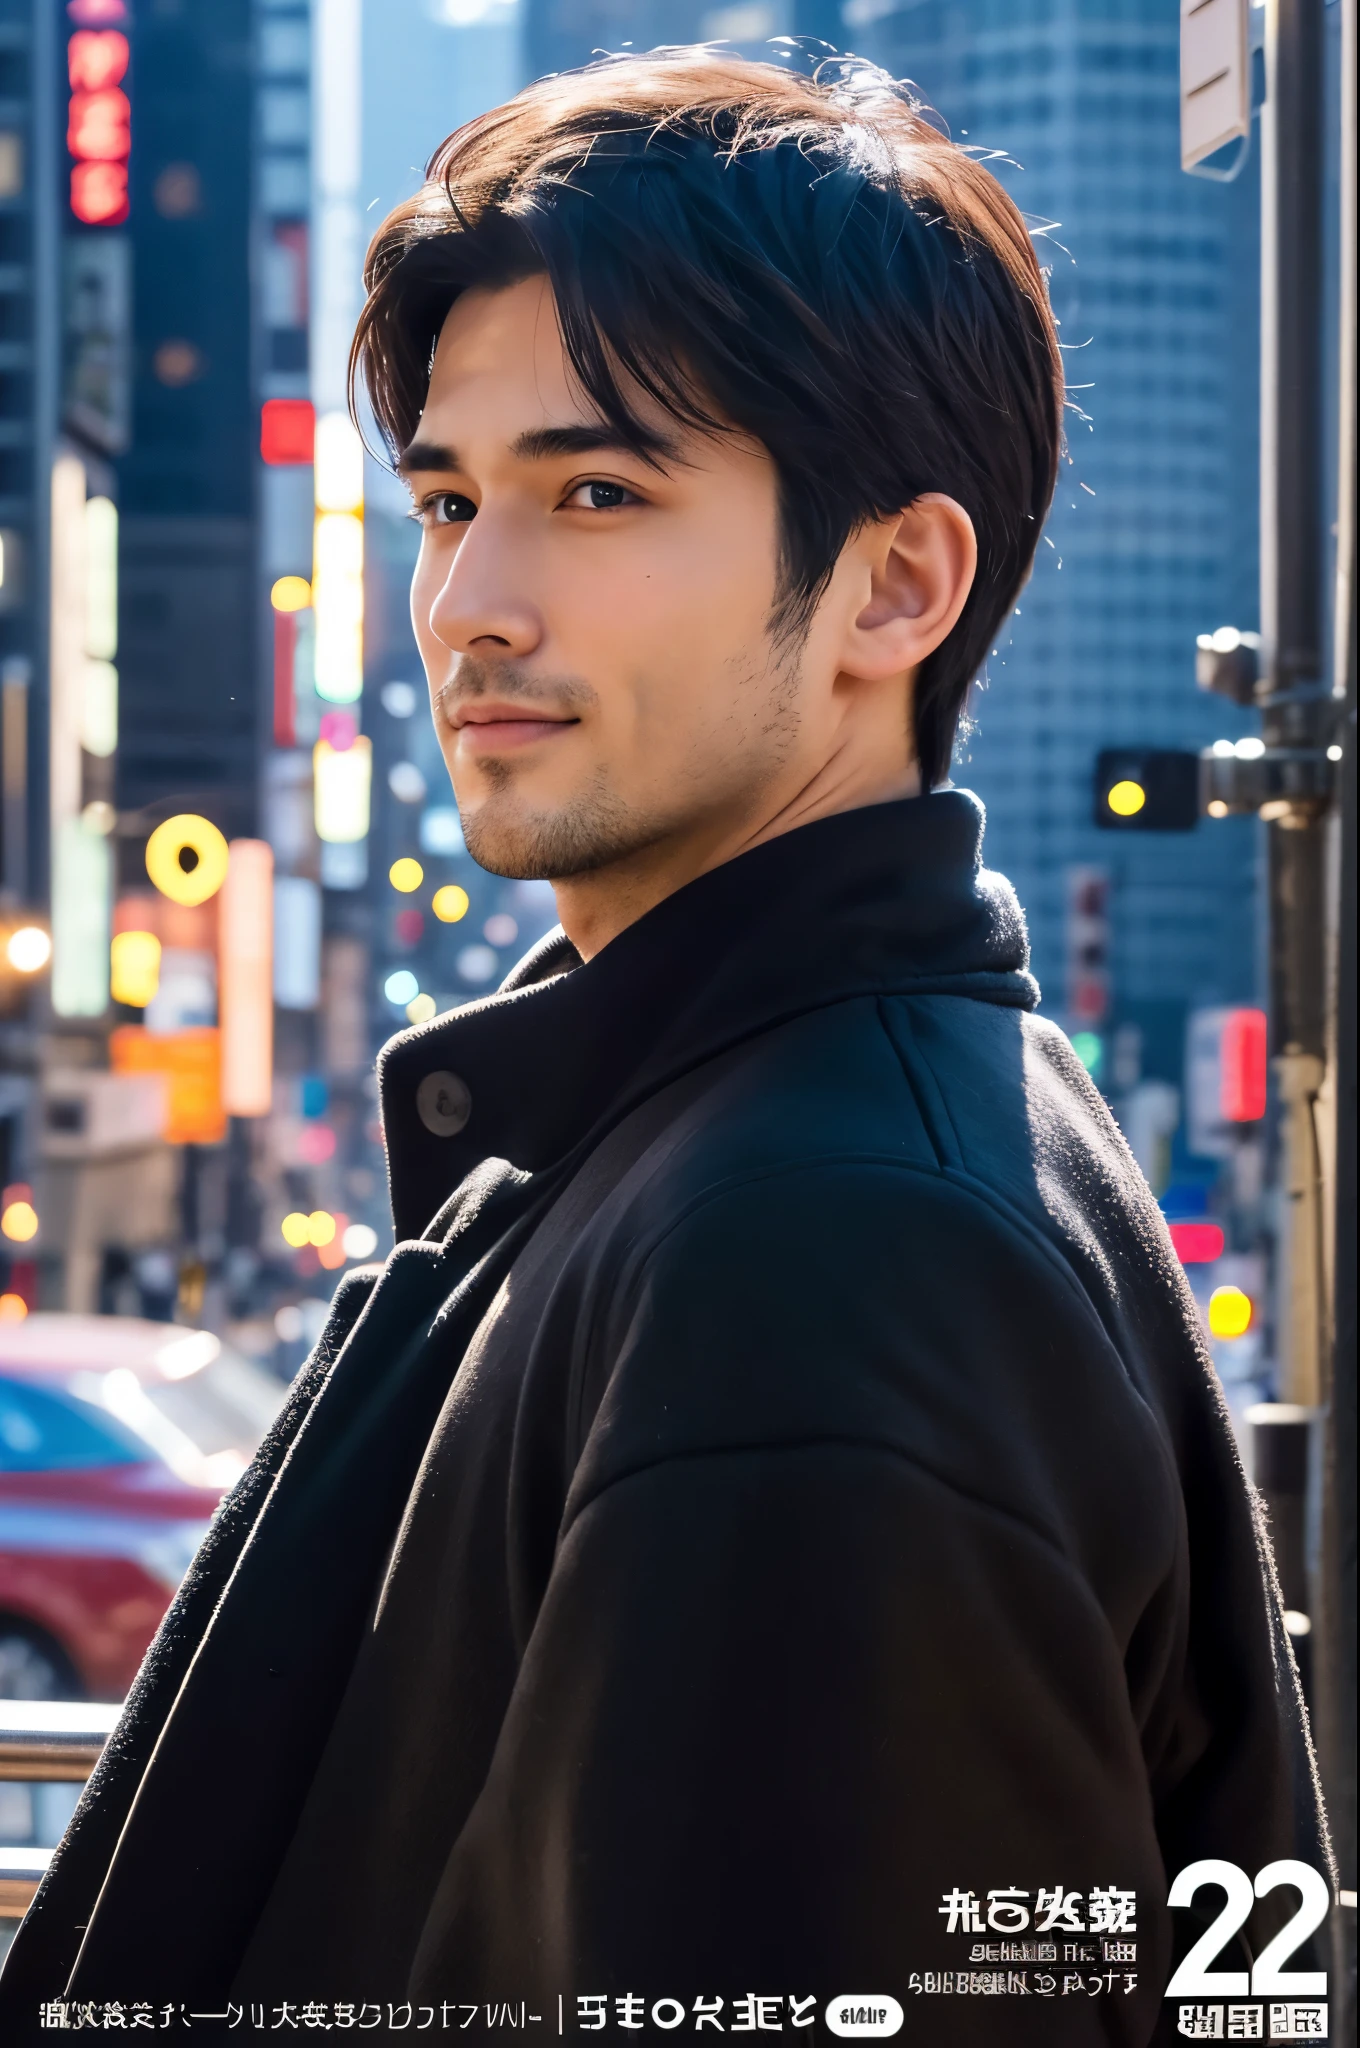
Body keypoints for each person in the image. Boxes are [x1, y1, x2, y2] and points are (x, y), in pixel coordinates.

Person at [0, 49, 1327, 2046]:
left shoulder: (827, 1245)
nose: (466, 602)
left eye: (595, 493)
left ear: (895, 582)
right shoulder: (715, 1134)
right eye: (447, 500)